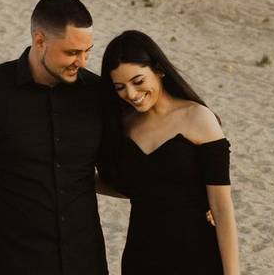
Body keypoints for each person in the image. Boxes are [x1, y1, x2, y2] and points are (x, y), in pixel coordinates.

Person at [0, 0, 109, 275]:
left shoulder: (96, 95)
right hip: (11, 262)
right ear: (40, 41)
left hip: (85, 262)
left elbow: (128, 166)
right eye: (72, 52)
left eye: (87, 50)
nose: (82, 61)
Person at [99, 30, 240, 275]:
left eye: (138, 81)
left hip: (197, 257)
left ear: (159, 70)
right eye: (120, 87)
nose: (131, 94)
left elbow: (222, 207)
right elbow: (134, 187)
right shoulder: (123, 126)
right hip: (140, 258)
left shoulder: (198, 118)